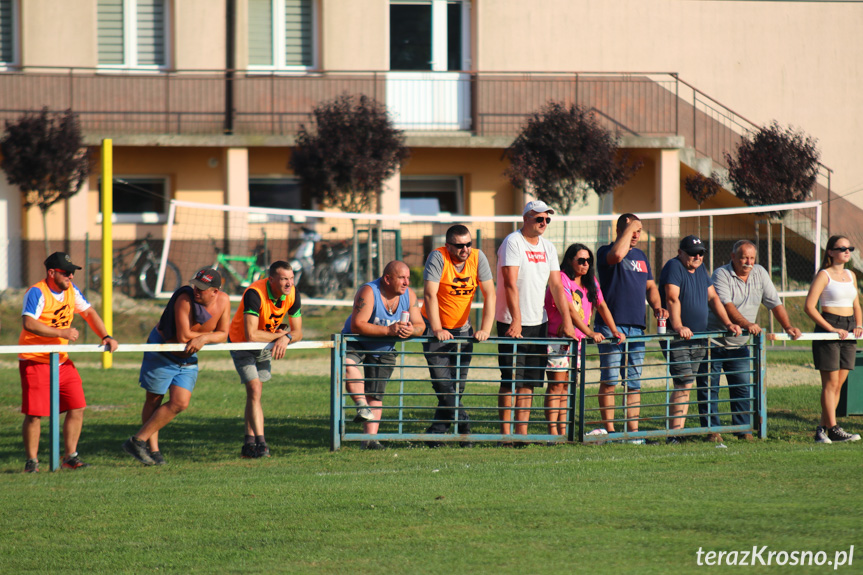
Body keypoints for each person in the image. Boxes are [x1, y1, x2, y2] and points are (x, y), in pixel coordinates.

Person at [19, 252, 119, 473]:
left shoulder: (72, 291)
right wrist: (61, 331)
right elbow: (29, 323)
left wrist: (106, 336)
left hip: (62, 360)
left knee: (77, 406)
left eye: (72, 273)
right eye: (66, 272)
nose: (71, 276)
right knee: (35, 414)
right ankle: (32, 462)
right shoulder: (37, 292)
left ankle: (70, 457)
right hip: (35, 360)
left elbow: (89, 312)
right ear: (51, 272)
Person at [122, 268, 232, 465]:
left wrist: (205, 338)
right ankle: (152, 450)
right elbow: (182, 337)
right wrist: (206, 338)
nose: (196, 290)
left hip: (187, 359)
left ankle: (137, 441)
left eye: (202, 288)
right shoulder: (184, 299)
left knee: (180, 403)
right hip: (162, 352)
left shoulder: (223, 301)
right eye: (195, 285)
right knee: (154, 399)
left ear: (215, 291)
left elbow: (223, 333)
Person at [699, 240, 802, 441]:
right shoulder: (721, 274)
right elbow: (726, 305)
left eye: (752, 258)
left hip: (739, 344)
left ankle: (743, 430)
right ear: (733, 257)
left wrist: (787, 326)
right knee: (710, 388)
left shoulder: (761, 273)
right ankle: (712, 431)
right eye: (744, 257)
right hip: (713, 341)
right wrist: (747, 324)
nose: (748, 262)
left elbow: (775, 303)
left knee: (742, 387)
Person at [496, 200, 576, 438]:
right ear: (525, 219)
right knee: (510, 380)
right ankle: (505, 435)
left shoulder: (549, 247)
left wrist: (567, 320)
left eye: (547, 219)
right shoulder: (512, 242)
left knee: (530, 381)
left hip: (538, 322)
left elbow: (556, 286)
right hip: (512, 321)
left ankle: (522, 434)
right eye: (539, 219)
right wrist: (516, 320)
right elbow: (510, 283)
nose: (543, 223)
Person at [659, 235, 741, 443]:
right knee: (684, 382)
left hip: (699, 337)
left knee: (687, 383)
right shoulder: (674, 267)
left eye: (700, 253)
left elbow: (713, 298)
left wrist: (728, 324)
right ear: (680, 252)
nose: (697, 256)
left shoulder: (701, 271)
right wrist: (677, 326)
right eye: (692, 253)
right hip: (677, 337)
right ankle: (673, 434)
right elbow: (671, 298)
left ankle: (677, 432)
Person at [595, 214, 667, 439]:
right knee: (610, 380)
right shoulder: (604, 251)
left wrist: (657, 306)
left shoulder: (641, 255)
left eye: (639, 230)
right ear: (620, 230)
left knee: (634, 382)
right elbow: (617, 255)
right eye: (633, 230)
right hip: (611, 326)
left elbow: (651, 286)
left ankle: (633, 431)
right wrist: (629, 228)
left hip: (637, 327)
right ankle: (611, 430)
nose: (637, 234)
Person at [422, 225, 495, 447]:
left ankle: (435, 434)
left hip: (463, 330)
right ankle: (464, 427)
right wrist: (436, 329)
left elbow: (490, 293)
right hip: (435, 330)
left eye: (468, 244)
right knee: (444, 385)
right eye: (459, 245)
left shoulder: (478, 257)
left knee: (457, 387)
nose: (465, 249)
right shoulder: (437, 257)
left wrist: (485, 329)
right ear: (448, 245)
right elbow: (429, 294)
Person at [343, 260, 424, 450]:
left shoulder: (409, 295)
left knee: (376, 395)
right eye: (401, 278)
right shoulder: (369, 292)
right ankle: (361, 405)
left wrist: (411, 330)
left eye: (408, 278)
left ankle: (369, 441)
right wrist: (389, 331)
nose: (406, 282)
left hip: (384, 348)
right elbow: (357, 325)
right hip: (356, 341)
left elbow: (421, 326)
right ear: (387, 279)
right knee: (347, 363)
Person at [543, 244, 623, 436]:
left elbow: (601, 305)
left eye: (588, 261)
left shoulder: (590, 282)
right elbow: (570, 309)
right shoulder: (562, 279)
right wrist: (590, 332)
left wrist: (614, 330)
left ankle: (563, 432)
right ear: (570, 260)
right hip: (558, 339)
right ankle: (553, 433)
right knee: (556, 386)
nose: (585, 264)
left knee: (567, 388)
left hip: (576, 343)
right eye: (581, 260)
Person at [228, 261, 303, 458]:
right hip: (242, 344)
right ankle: (262, 444)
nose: (289, 283)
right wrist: (280, 336)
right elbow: (251, 335)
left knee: (255, 395)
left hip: (265, 345)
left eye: (291, 278)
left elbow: (298, 332)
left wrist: (286, 337)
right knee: (255, 389)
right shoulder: (254, 293)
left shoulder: (293, 294)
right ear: (271, 280)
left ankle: (248, 444)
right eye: (284, 279)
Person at [804, 235, 863, 443]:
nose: (847, 251)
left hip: (849, 328)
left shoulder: (851, 275)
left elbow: (856, 305)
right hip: (829, 326)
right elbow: (809, 306)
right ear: (830, 252)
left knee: (839, 383)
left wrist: (859, 325)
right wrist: (830, 328)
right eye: (842, 248)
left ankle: (823, 429)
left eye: (850, 248)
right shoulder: (824, 275)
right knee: (830, 383)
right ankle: (834, 428)